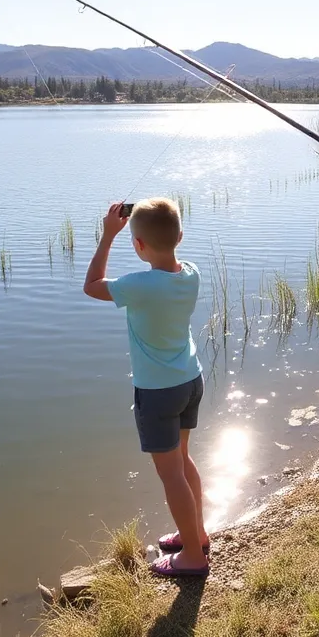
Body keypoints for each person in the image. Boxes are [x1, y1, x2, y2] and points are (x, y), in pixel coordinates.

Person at [83, 198, 210, 578]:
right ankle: (197, 534)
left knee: (171, 474)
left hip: (158, 393)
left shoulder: (138, 286)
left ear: (137, 245)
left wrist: (107, 236)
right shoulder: (191, 272)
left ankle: (192, 556)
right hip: (190, 380)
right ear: (181, 236)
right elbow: (162, 244)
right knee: (183, 462)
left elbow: (91, 285)